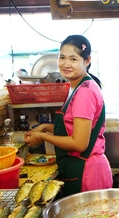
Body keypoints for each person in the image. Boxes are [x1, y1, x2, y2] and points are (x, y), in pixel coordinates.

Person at [24, 34, 112, 197]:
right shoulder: (78, 87)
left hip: (86, 172)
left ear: (87, 61)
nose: (65, 64)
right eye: (62, 57)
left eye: (73, 59)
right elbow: (72, 128)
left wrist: (43, 137)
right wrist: (45, 127)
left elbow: (79, 143)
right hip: (83, 169)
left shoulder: (84, 92)